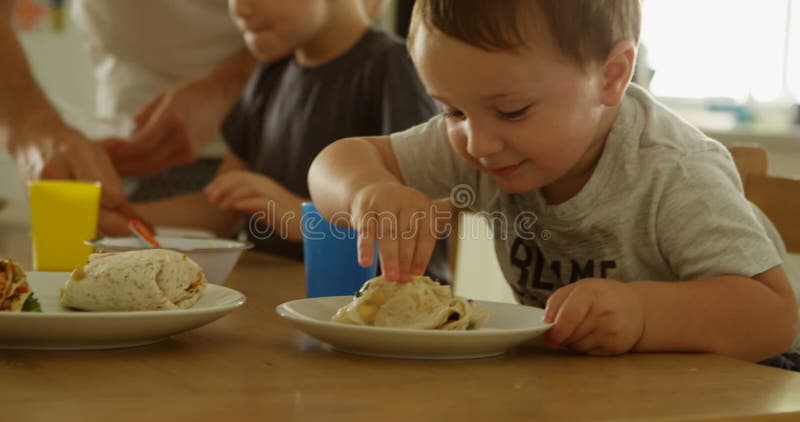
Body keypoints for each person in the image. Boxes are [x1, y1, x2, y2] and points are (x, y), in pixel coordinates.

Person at [307, 0, 799, 364]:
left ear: (611, 76)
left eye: (512, 110)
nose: (477, 142)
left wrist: (643, 313)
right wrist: (369, 190)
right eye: (451, 109)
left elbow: (772, 318)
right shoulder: (487, 139)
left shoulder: (674, 171)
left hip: (740, 382)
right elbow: (337, 161)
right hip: (590, 382)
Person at [130, 0, 450, 281]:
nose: (239, 8)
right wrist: (119, 216)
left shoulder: (391, 67)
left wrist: (301, 219)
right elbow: (221, 210)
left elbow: (417, 215)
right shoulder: (269, 76)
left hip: (380, 313)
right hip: (281, 302)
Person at [0, 0, 256, 235]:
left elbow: (293, 22)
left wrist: (230, 85)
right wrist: (32, 127)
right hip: (120, 156)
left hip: (250, 142)